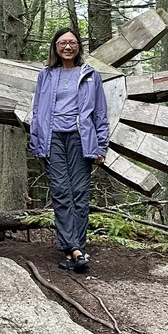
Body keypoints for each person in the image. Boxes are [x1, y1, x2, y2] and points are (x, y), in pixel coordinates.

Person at [29, 26, 108, 273]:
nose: (67, 47)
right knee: (61, 192)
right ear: (55, 47)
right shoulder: (46, 75)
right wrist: (36, 142)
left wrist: (101, 146)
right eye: (62, 43)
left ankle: (75, 250)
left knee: (80, 194)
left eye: (72, 42)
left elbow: (101, 113)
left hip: (81, 139)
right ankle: (75, 249)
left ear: (79, 47)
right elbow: (37, 111)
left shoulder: (90, 75)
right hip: (53, 139)